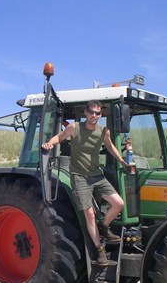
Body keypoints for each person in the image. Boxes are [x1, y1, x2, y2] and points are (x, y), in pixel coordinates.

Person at [42, 100, 127, 266]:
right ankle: (100, 251)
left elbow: (110, 147)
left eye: (97, 113)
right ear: (86, 113)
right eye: (91, 112)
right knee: (89, 214)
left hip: (96, 175)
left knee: (118, 203)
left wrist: (121, 161)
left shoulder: (104, 132)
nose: (94, 116)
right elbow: (60, 137)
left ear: (100, 115)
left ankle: (104, 226)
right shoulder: (75, 128)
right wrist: (50, 143)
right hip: (79, 176)